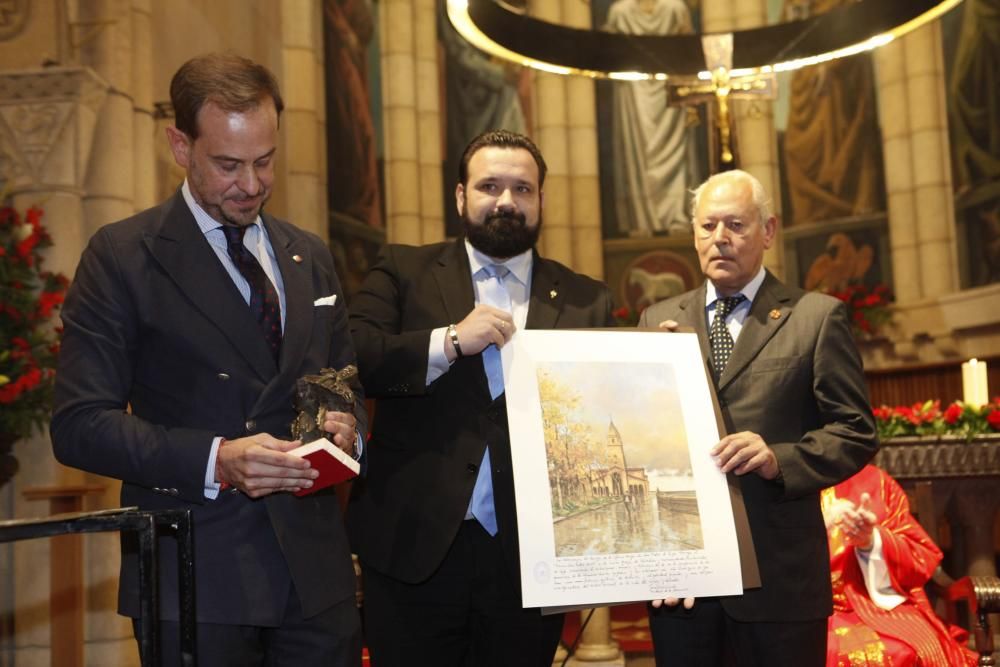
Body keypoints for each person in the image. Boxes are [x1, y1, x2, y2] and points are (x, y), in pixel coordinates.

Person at [51, 53, 366, 666]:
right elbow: (80, 425)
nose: (250, 184)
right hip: (197, 576)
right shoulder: (123, 256)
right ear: (179, 145)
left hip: (317, 581)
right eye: (228, 164)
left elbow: (346, 383)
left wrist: (349, 430)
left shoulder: (310, 254)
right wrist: (218, 460)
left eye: (265, 161)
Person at [347, 129, 615, 666]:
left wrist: (659, 361)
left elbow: (603, 413)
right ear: (461, 196)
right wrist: (447, 342)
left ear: (541, 200)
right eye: (490, 186)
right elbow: (356, 356)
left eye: (523, 189)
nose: (507, 201)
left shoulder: (588, 299)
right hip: (412, 548)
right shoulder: (403, 270)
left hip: (529, 558)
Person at [638, 169, 878, 666]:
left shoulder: (815, 316)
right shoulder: (657, 321)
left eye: (735, 225)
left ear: (768, 230)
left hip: (779, 583)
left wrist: (779, 458)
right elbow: (639, 440)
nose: (719, 238)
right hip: (684, 581)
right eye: (707, 227)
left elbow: (855, 431)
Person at [823, 465, 978, 666]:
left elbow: (919, 556)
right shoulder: (775, 484)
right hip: (800, 608)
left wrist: (871, 541)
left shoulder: (875, 481)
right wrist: (815, 529)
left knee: (910, 650)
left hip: (875, 605)